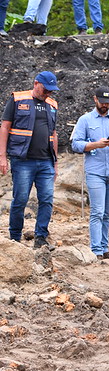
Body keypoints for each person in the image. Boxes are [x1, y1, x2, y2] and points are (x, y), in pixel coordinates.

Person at [0, 71, 59, 250]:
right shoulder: (18, 99)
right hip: (22, 160)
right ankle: (15, 237)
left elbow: (53, 134)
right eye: (45, 89)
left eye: (51, 91)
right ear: (36, 83)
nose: (48, 93)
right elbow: (5, 127)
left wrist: (55, 163)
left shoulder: (52, 104)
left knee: (47, 199)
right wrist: (2, 156)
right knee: (21, 199)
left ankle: (41, 237)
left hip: (46, 161)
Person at [71, 87, 109, 260]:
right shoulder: (85, 120)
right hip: (95, 171)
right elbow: (75, 145)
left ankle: (104, 246)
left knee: (107, 212)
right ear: (95, 99)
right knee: (97, 211)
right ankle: (96, 249)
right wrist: (95, 145)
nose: (105, 105)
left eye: (108, 103)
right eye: (103, 102)